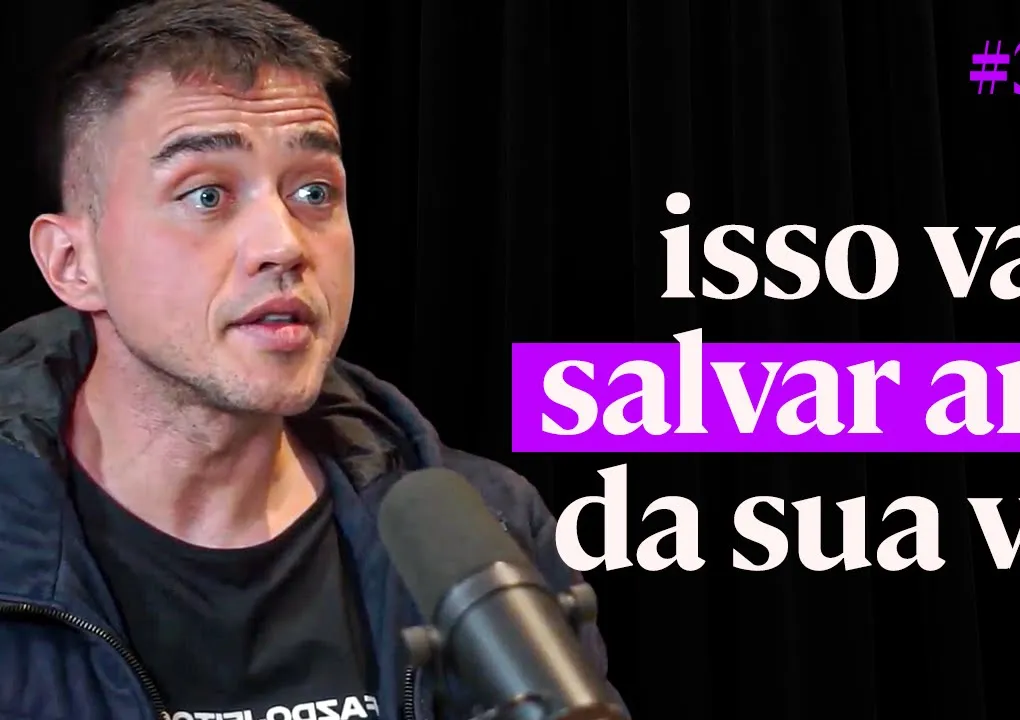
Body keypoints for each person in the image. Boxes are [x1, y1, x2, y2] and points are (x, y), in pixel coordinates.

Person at [0, 1, 625, 718]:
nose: (285, 244)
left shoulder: (488, 530)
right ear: (72, 263)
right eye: (207, 195)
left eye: (314, 193)